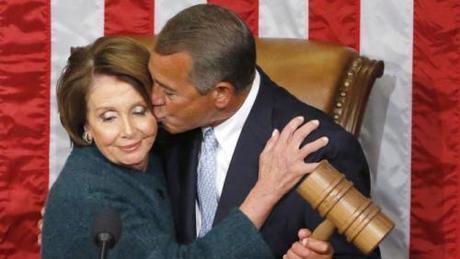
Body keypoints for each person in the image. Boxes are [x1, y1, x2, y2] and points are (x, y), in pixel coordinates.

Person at [41, 36, 328, 258]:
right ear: (85, 127)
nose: (128, 131)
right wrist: (266, 191)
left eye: (139, 110)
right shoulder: (88, 195)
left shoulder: (160, 146)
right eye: (108, 117)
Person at [150, 4, 379, 258]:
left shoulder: (319, 150)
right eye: (154, 83)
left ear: (221, 94)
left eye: (168, 92)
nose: (153, 99)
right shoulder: (158, 131)